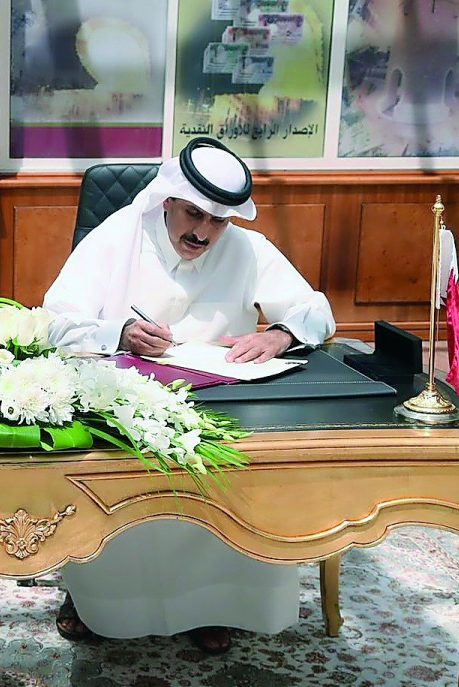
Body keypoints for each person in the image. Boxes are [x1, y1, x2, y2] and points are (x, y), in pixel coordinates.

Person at [42, 137, 335, 653]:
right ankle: (98, 601)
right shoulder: (118, 236)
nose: (202, 233)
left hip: (219, 408)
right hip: (124, 409)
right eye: (193, 216)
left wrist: (279, 334)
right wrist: (120, 332)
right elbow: (54, 323)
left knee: (230, 478)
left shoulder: (247, 248)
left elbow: (316, 310)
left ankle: (211, 606)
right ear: (167, 202)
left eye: (217, 222)